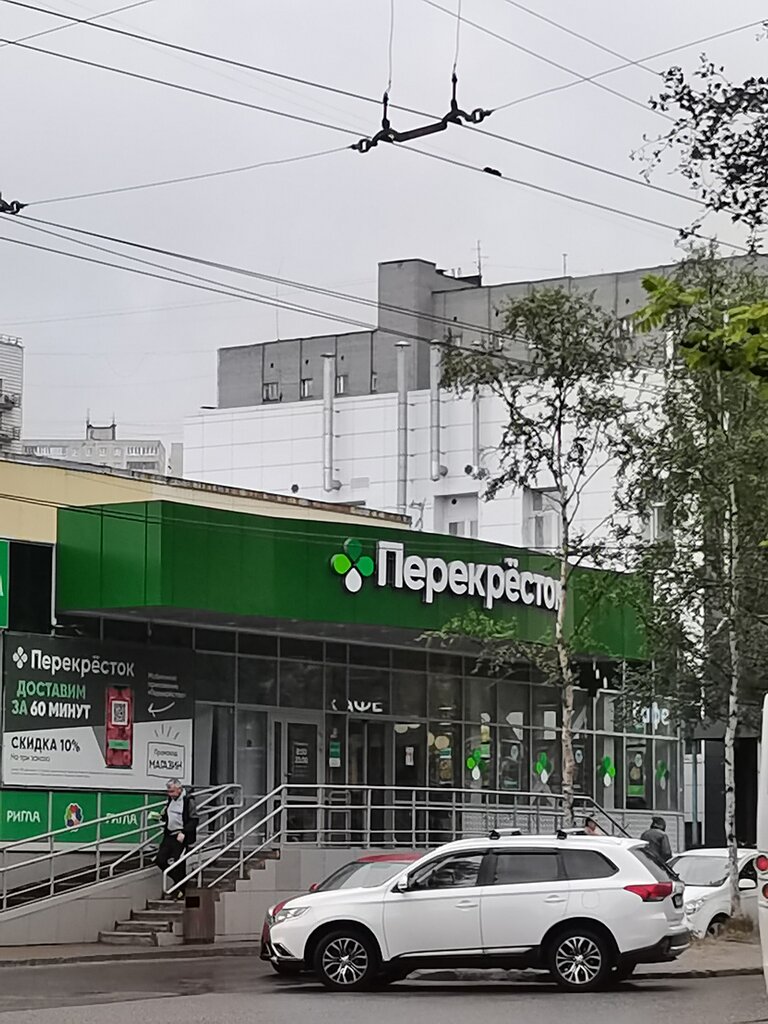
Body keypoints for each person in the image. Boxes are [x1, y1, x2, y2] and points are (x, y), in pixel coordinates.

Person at [156, 779, 198, 899]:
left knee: (177, 862)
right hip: (169, 834)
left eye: (172, 791)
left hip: (181, 836)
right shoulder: (171, 799)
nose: (170, 794)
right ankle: (180, 882)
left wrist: (184, 832)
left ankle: (181, 889)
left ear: (179, 790)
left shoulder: (188, 800)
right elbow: (170, 814)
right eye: (168, 791)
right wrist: (162, 817)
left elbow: (194, 819)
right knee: (160, 860)